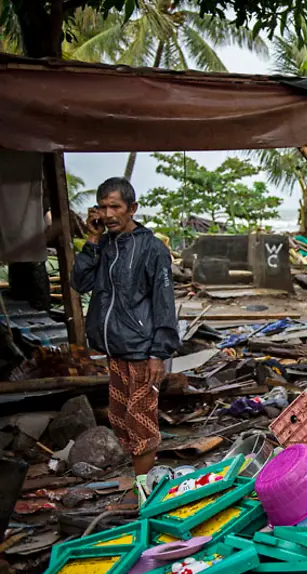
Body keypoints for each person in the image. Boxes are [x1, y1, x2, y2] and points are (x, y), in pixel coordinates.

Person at [71, 177, 179, 508]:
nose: (108, 213)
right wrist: (92, 238)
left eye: (115, 206)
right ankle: (142, 485)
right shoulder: (103, 246)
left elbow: (164, 302)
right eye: (103, 206)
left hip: (144, 351)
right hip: (116, 350)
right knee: (120, 420)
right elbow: (80, 281)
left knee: (140, 421)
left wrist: (159, 353)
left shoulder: (151, 249)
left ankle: (144, 495)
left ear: (132, 208)